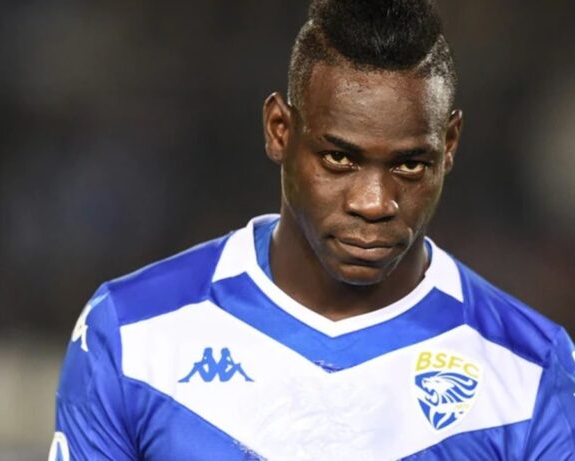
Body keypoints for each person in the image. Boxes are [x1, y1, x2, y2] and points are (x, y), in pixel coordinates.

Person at [49, 0, 575, 459]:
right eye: (339, 158)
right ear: (279, 130)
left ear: (450, 144)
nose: (374, 202)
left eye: (410, 165)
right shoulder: (132, 334)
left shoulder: (529, 370)